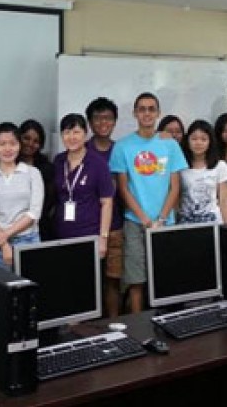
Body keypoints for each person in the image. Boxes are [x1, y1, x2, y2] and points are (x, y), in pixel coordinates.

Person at [109, 92, 187, 313]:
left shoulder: (169, 144)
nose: (146, 113)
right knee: (136, 280)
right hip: (135, 222)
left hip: (166, 222)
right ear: (135, 113)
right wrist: (144, 219)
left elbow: (175, 187)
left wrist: (161, 219)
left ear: (158, 113)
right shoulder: (123, 146)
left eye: (151, 109)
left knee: (165, 277)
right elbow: (123, 188)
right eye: (141, 109)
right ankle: (138, 326)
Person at [0, 122, 44, 268]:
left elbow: (34, 212)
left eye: (12, 143)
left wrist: (5, 235)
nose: (7, 148)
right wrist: (3, 243)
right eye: (2, 144)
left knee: (30, 289)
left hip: (28, 240)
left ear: (19, 146)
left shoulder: (32, 173)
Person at [85, 97, 125, 317]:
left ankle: (113, 326)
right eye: (97, 118)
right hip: (87, 227)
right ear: (90, 123)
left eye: (108, 118)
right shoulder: (82, 151)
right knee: (88, 282)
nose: (103, 123)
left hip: (116, 226)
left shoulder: (121, 151)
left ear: (115, 122)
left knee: (113, 281)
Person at [52, 113, 114, 250]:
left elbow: (107, 203)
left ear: (85, 134)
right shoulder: (58, 160)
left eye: (76, 132)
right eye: (67, 132)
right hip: (62, 234)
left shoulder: (98, 163)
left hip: (89, 234)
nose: (71, 137)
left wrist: (103, 238)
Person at [178, 120, 227, 224]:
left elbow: (224, 200)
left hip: (213, 223)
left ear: (210, 141)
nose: (198, 143)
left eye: (203, 139)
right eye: (194, 139)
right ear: (187, 140)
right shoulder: (181, 167)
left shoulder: (220, 166)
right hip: (186, 223)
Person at [19, 119, 56, 241]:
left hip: (41, 226)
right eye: (26, 138)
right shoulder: (8, 164)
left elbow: (51, 200)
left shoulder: (46, 168)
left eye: (36, 141)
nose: (30, 143)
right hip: (10, 225)